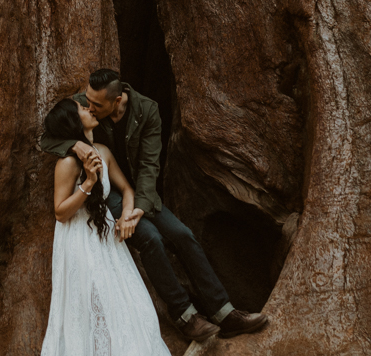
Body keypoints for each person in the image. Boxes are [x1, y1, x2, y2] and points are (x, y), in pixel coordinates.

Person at [40, 69, 268, 342]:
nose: (89, 106)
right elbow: (50, 134)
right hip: (104, 193)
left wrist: (134, 210)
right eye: (86, 101)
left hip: (139, 192)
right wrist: (75, 144)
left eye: (96, 105)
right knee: (150, 239)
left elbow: (149, 167)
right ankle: (185, 316)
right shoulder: (86, 104)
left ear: (117, 100)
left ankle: (224, 312)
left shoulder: (147, 110)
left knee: (182, 234)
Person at [36, 97, 179, 356]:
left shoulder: (102, 149)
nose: (90, 108)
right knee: (100, 328)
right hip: (80, 248)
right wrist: (87, 183)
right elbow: (60, 212)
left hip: (107, 245)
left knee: (135, 317)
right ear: (74, 121)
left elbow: (127, 189)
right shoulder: (68, 163)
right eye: (83, 107)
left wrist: (128, 216)